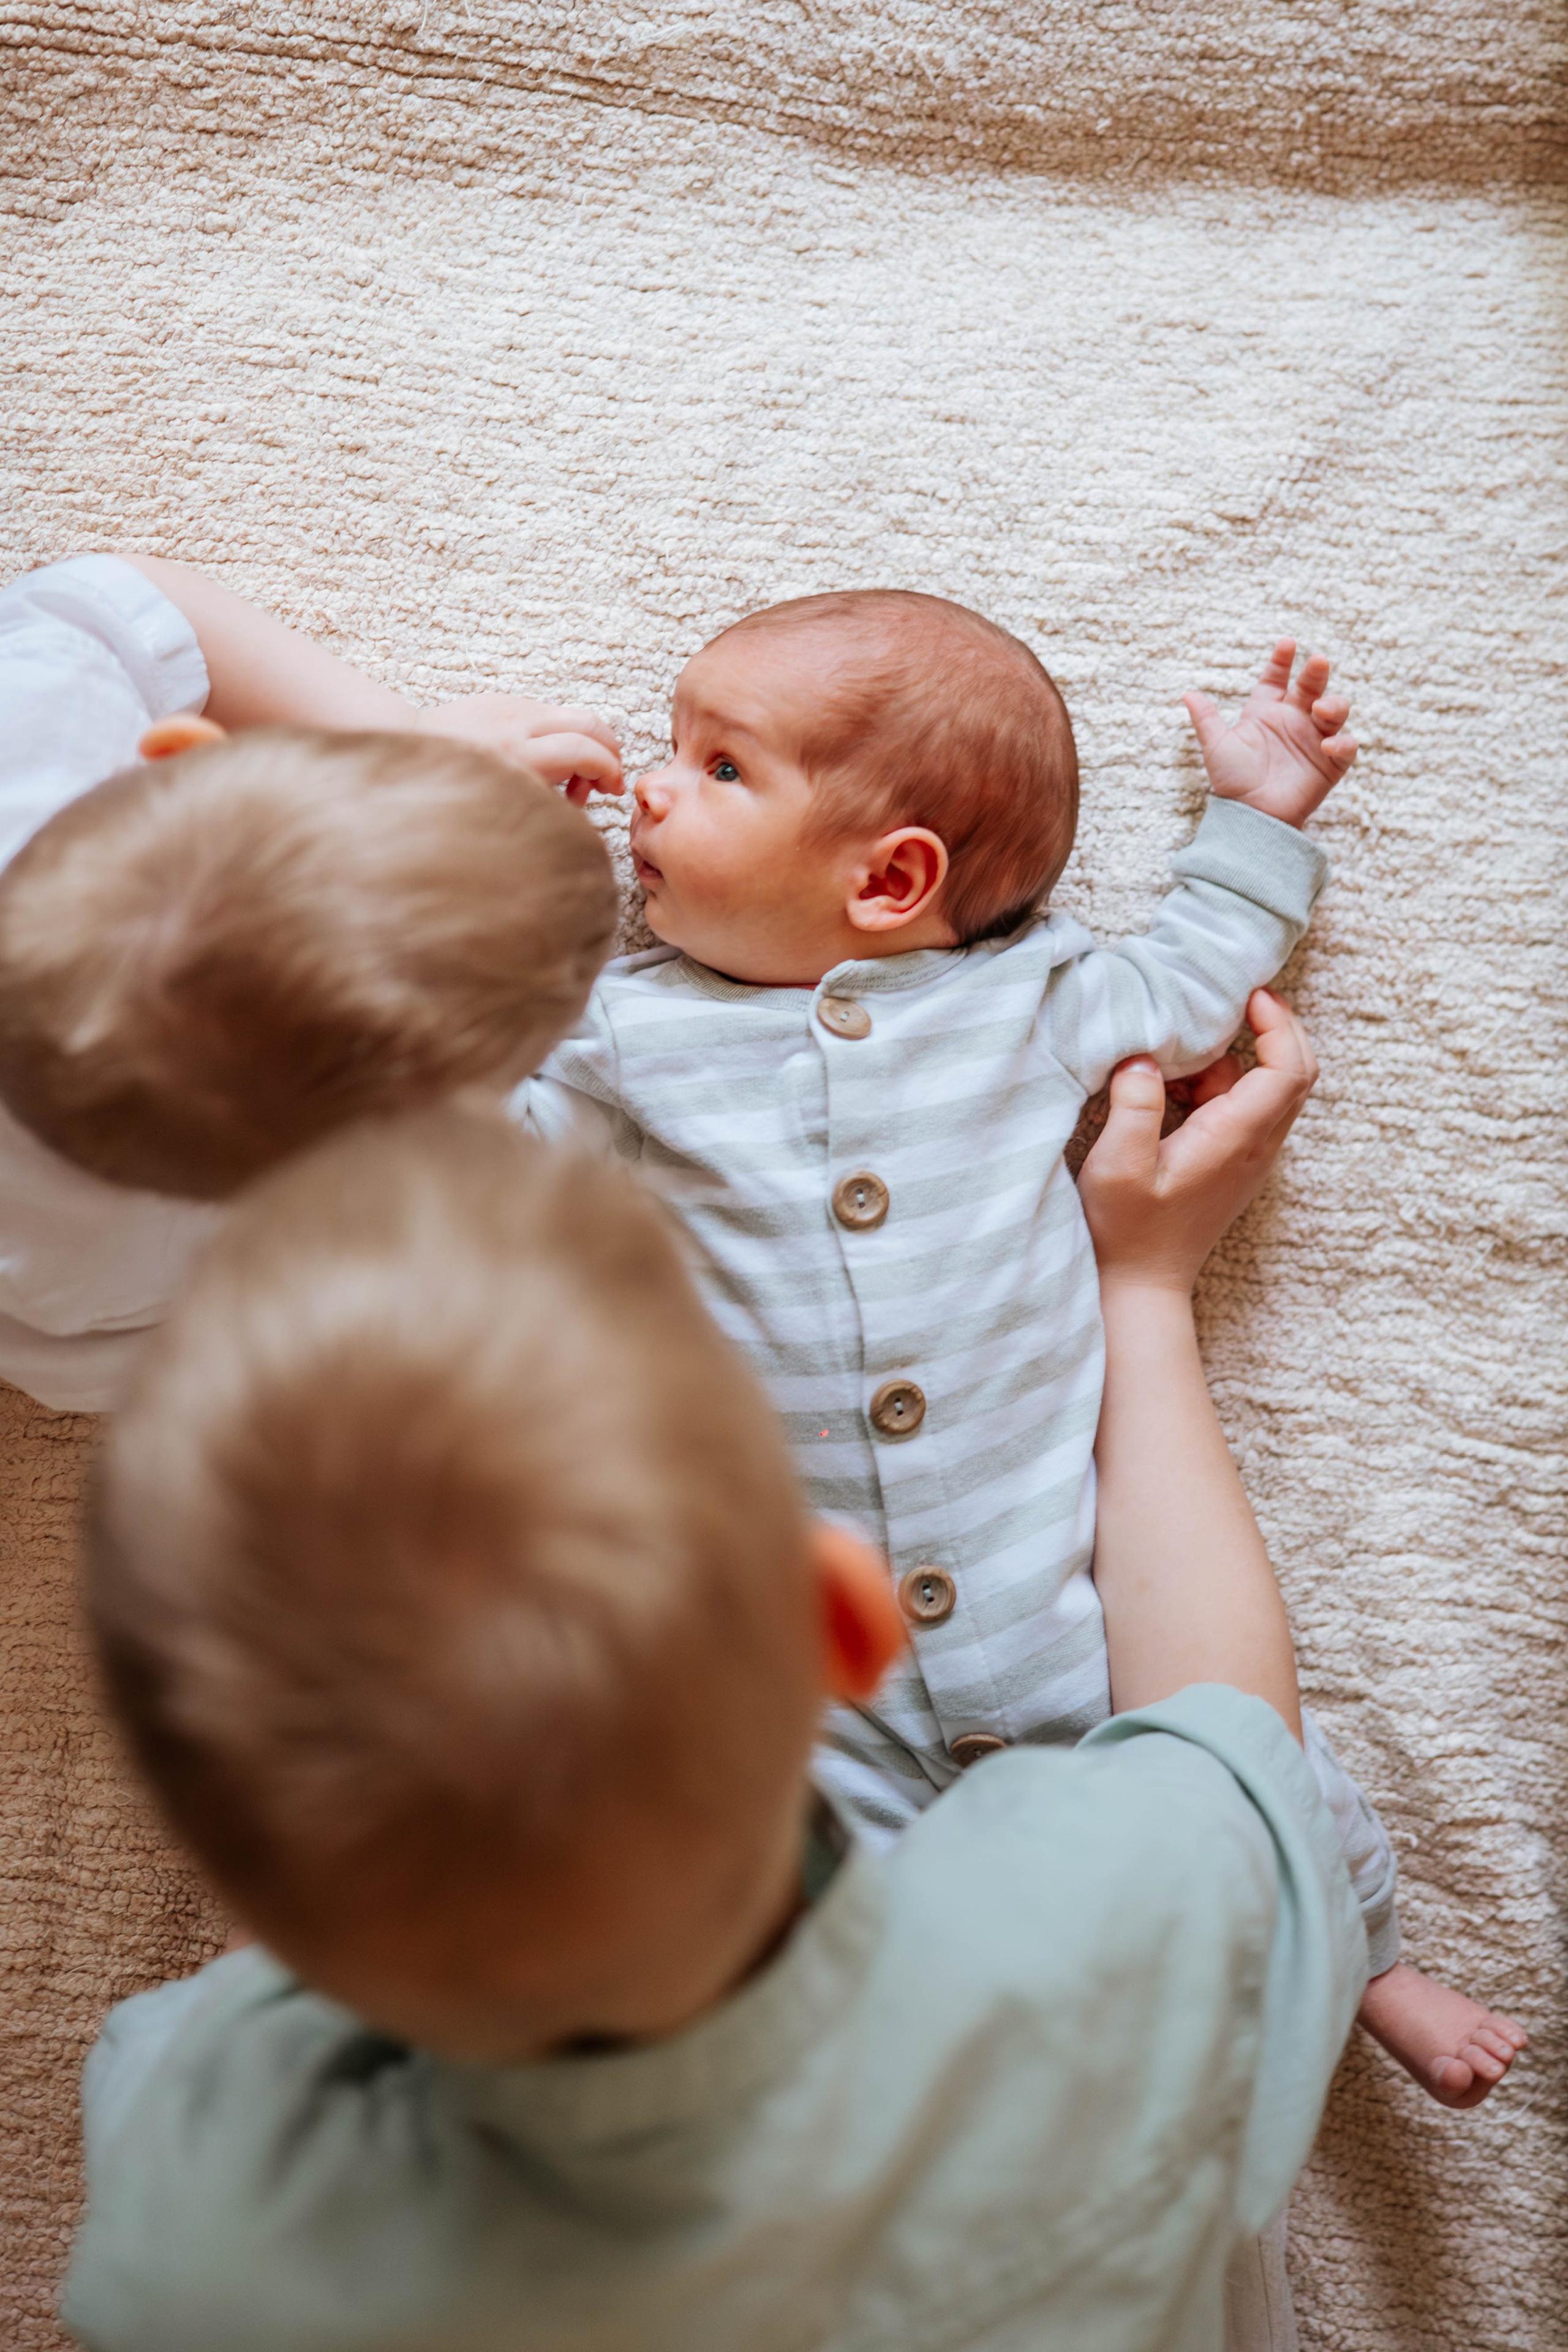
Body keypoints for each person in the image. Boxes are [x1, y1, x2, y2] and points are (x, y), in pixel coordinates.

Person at [68, 995, 1364, 2352]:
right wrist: (1144, 1289)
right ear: (845, 1627)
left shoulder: (193, 2202)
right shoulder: (1106, 1932)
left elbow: (257, 1970)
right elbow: (1228, 1744)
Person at [510, 589, 1521, 2105]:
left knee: (1241, 1760)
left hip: (1055, 1614)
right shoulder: (621, 1038)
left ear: (891, 877)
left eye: (717, 768)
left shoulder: (1025, 999)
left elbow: (1193, 984)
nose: (649, 787)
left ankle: (1361, 1954)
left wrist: (1260, 815)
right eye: (674, 747)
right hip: (809, 1671)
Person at [0, 552, 622, 1410]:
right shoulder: (159, 1275)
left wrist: (412, 746)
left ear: (179, 758)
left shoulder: (34, 726)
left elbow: (125, 593)